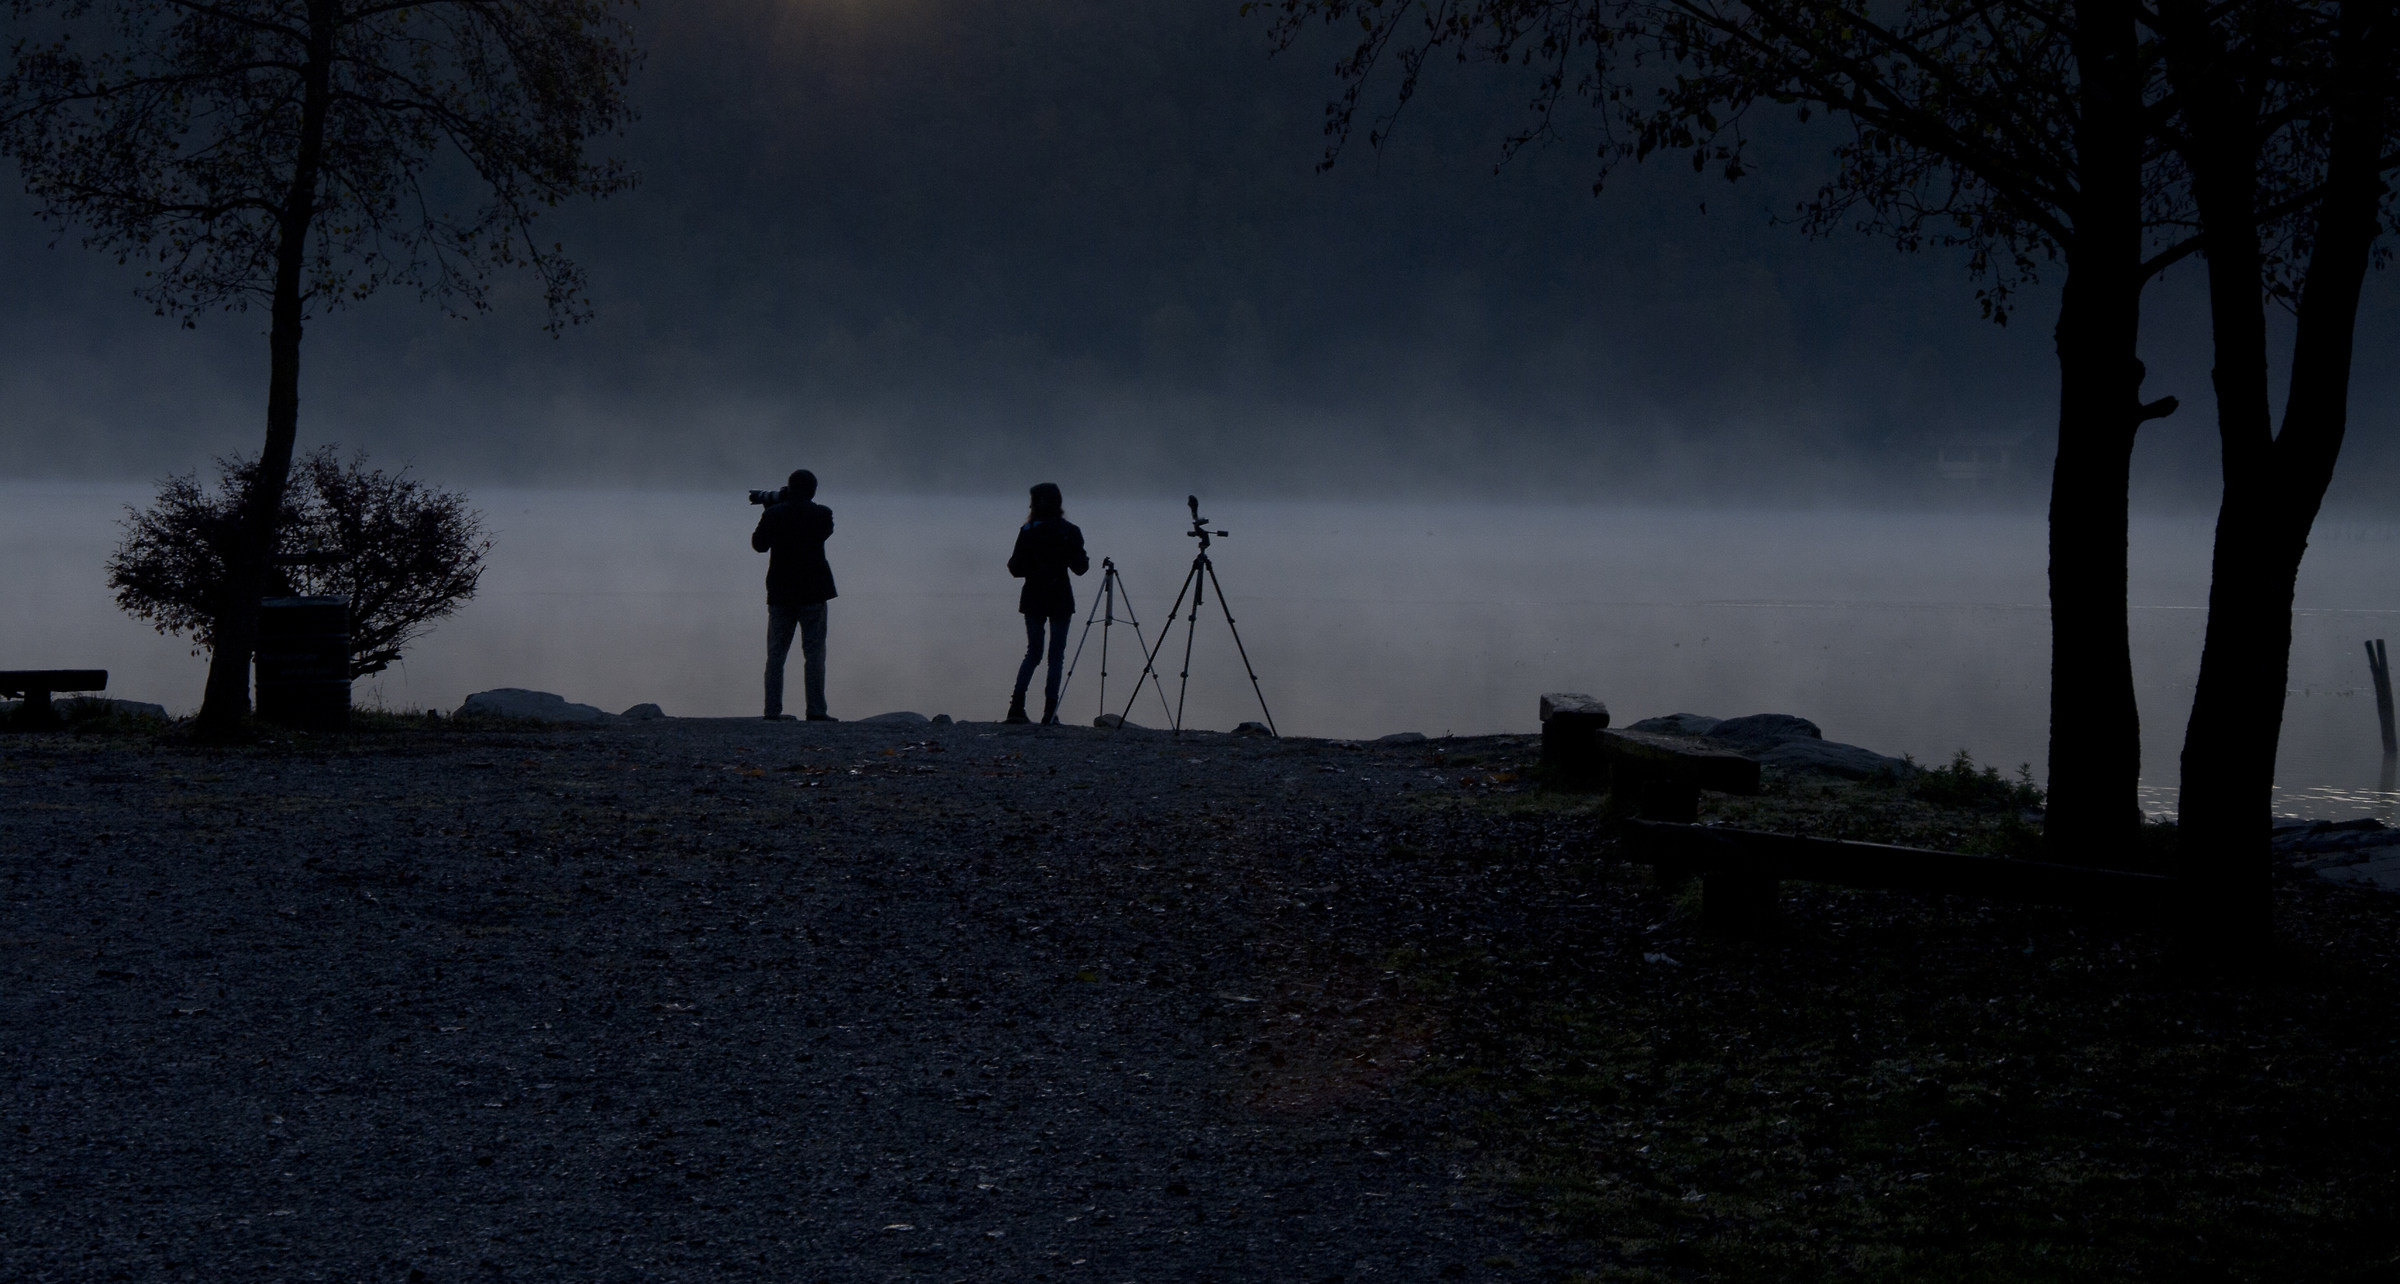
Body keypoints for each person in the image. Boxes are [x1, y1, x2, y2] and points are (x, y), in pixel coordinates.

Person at [751, 469, 837, 722]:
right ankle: (816, 710)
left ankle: (771, 711)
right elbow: (824, 532)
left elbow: (759, 545)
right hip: (814, 591)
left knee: (776, 655)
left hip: (781, 591)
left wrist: (769, 509)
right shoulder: (822, 514)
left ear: (789, 488)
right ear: (813, 490)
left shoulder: (774, 514)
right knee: (814, 654)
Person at [1006, 482, 1089, 725]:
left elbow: (1015, 568)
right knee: (1056, 656)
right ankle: (1050, 712)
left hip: (1033, 597)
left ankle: (1016, 706)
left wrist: (1034, 565)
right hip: (1060, 598)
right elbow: (1081, 568)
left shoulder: (1028, 530)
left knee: (1033, 653)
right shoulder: (1069, 531)